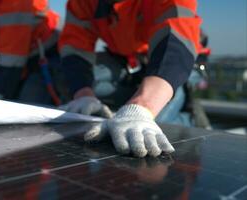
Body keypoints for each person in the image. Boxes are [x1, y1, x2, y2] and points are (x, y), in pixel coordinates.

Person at [59, 0, 202, 157]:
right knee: (71, 82)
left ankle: (187, 117)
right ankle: (125, 107)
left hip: (176, 62)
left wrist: (140, 107)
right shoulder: (82, 3)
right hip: (126, 60)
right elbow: (75, 48)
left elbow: (175, 43)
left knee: (146, 129)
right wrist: (84, 96)